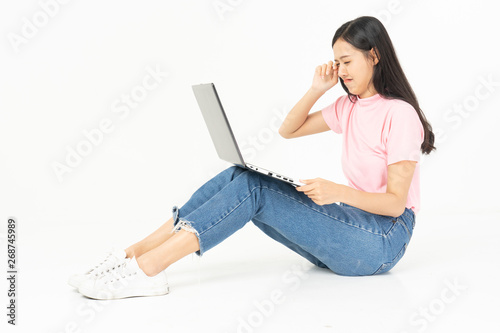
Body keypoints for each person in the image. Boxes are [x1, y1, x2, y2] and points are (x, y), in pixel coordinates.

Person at [69, 16, 435, 300]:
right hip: (353, 229)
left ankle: (148, 271)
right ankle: (132, 255)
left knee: (254, 189)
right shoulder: (349, 106)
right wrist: (316, 89)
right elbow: (289, 129)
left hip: (382, 241)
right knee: (237, 176)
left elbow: (394, 204)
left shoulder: (399, 114)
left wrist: (338, 191)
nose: (340, 72)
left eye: (346, 61)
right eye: (336, 63)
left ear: (374, 55)